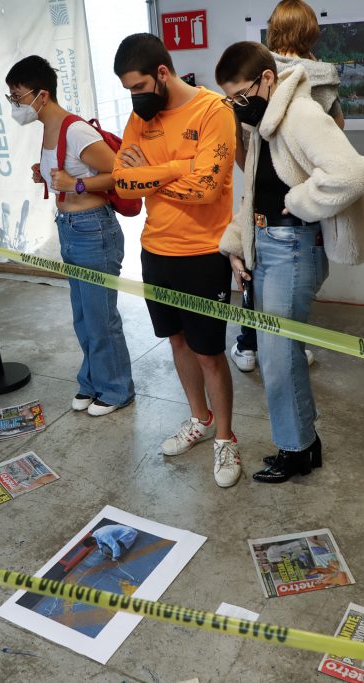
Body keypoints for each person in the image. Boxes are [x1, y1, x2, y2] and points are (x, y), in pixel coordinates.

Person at [216, 42, 364, 483]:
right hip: (268, 243)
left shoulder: (300, 115)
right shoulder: (264, 120)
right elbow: (253, 192)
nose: (237, 107)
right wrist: (238, 242)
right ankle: (303, 443)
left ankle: (296, 448)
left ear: (268, 79)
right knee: (277, 354)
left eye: (241, 96)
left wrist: (298, 202)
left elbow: (352, 173)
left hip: (291, 247)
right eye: (230, 100)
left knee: (279, 356)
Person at [110, 34, 241, 487]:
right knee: (178, 343)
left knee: (209, 353)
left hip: (204, 253)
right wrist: (177, 168)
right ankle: (199, 420)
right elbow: (122, 184)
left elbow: (208, 189)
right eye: (128, 90)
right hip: (156, 251)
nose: (136, 97)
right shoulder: (138, 117)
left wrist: (148, 174)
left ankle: (226, 438)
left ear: (162, 73)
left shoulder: (214, 111)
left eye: (140, 86)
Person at [6, 55, 135, 417]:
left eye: (18, 96)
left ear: (41, 95)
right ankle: (92, 382)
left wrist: (75, 182)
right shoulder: (48, 130)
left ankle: (117, 388)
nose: (16, 105)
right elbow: (65, 175)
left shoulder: (76, 130)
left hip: (94, 229)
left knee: (100, 316)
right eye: (12, 98)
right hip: (71, 228)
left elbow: (121, 173)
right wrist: (45, 175)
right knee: (82, 315)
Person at [230, 0, 344, 373]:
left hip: (265, 207)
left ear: (272, 29)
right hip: (299, 214)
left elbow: (241, 146)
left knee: (254, 272)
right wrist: (302, 195)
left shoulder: (254, 76)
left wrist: (257, 177)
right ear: (312, 32)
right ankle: (289, 346)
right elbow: (338, 142)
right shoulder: (324, 83)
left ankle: (250, 344)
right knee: (293, 291)